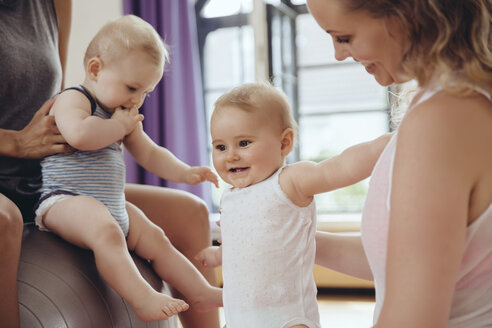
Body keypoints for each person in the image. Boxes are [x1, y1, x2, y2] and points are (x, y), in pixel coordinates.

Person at [0, 1, 220, 327]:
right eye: (132, 88)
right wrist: (16, 141)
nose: (136, 101)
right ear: (95, 69)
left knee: (157, 236)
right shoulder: (75, 100)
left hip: (104, 198)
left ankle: (200, 292)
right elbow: (77, 135)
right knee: (105, 230)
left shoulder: (120, 112)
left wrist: (185, 171)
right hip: (64, 197)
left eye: (145, 92)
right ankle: (142, 298)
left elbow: (150, 152)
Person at [306, 0, 492, 327]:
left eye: (344, 37)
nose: (338, 54)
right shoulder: (458, 100)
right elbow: (405, 262)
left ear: (407, 13)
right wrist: (290, 239)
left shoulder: (443, 119)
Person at [195, 83, 392, 328]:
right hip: (241, 318)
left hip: (287, 318)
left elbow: (339, 168)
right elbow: (244, 247)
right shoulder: (232, 196)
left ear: (284, 143)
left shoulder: (289, 182)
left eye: (244, 143)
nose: (230, 155)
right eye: (220, 147)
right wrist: (218, 254)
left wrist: (386, 145)